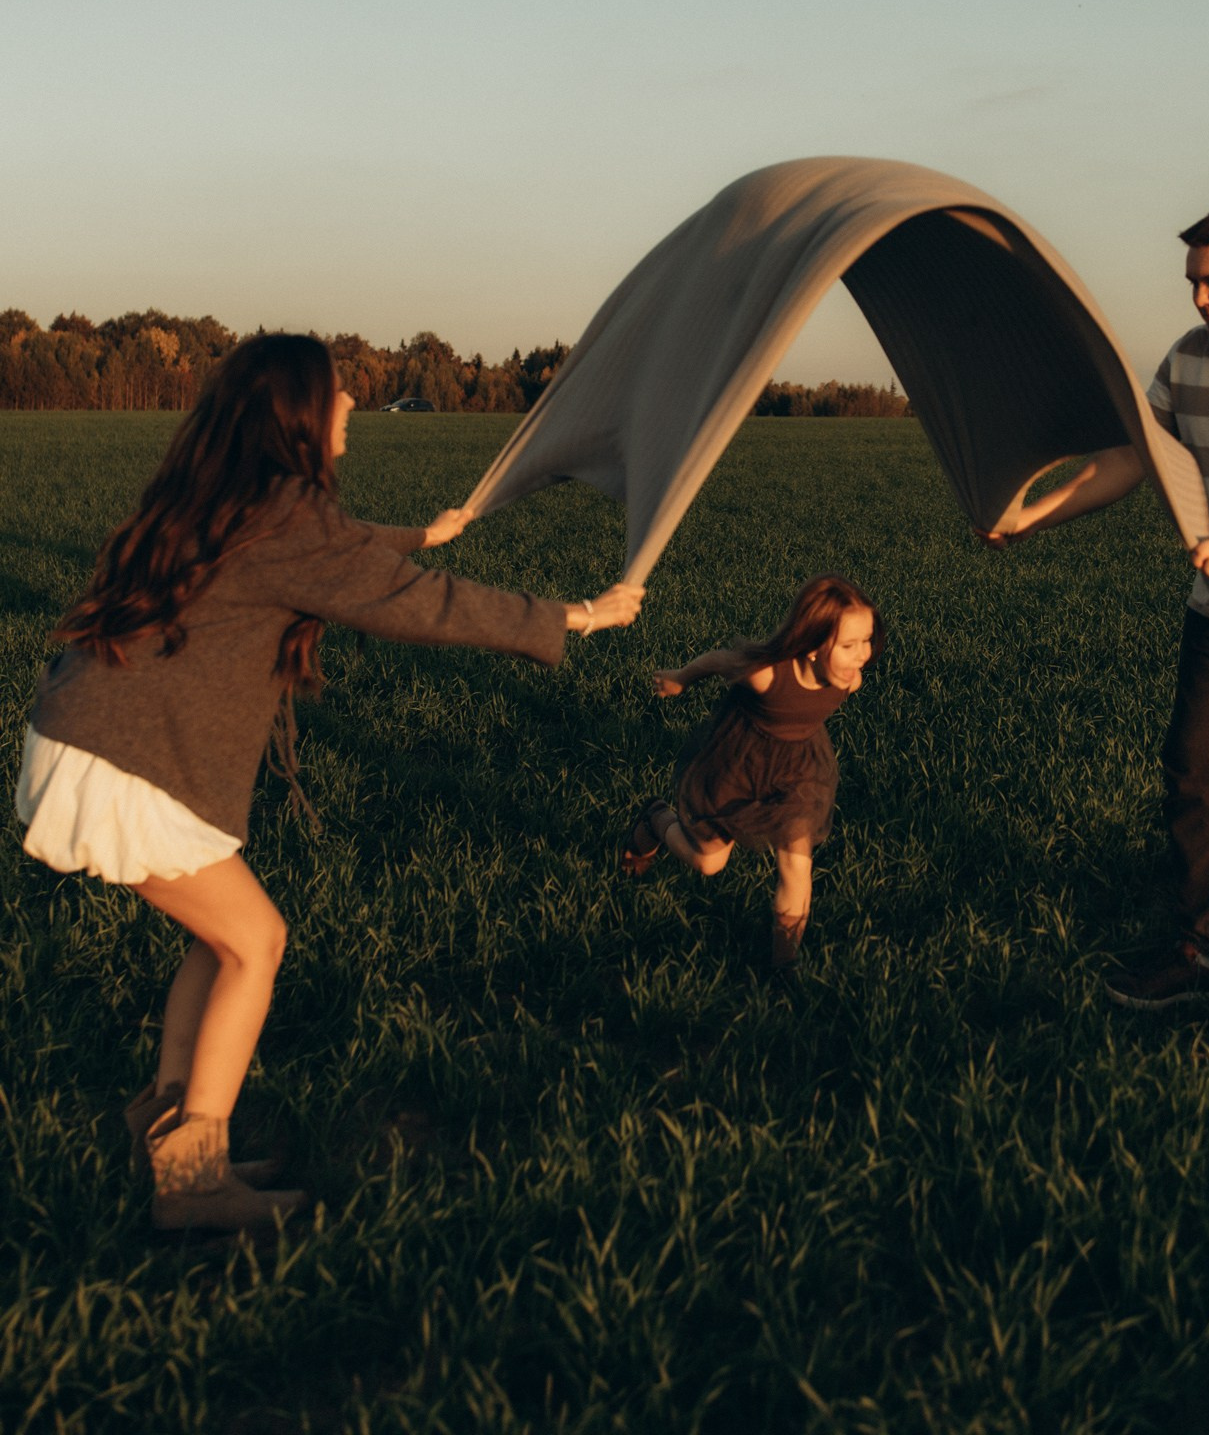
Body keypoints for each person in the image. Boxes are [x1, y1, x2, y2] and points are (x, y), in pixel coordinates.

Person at [13, 333, 643, 1232]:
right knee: (254, 944)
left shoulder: (232, 495)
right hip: (129, 765)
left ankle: (164, 1117)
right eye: (340, 393)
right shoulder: (286, 516)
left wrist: (425, 534)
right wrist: (575, 616)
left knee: (218, 940)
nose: (352, 405)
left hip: (86, 741)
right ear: (299, 411)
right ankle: (192, 1180)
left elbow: (337, 557)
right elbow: (417, 602)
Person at [985, 202, 1209, 1008]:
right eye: (1191, 284)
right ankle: (1205, 953)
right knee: (1194, 778)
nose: (1198, 301)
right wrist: (1032, 517)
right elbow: (1125, 459)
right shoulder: (1186, 361)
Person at [621, 575, 883, 971]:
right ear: (812, 646)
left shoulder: (850, 679)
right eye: (849, 645)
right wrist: (680, 677)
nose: (862, 655)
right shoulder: (769, 675)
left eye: (866, 640)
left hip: (798, 772)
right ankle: (655, 820)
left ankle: (784, 968)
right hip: (739, 764)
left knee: (797, 865)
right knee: (708, 863)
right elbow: (721, 660)